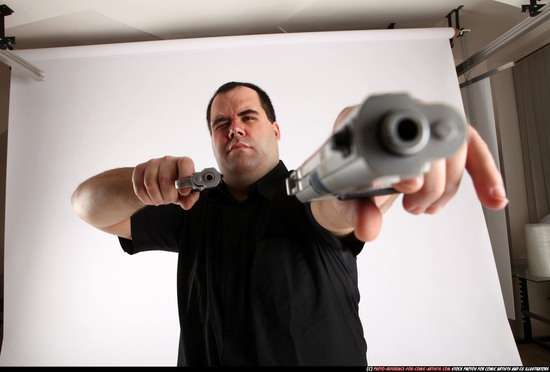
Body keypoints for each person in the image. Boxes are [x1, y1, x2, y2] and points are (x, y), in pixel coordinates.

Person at [71, 81, 508, 366]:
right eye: (220, 123)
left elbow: (338, 202)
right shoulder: (191, 207)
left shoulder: (309, 194)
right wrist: (140, 182)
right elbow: (87, 206)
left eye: (248, 117)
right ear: (211, 140)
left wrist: (369, 143)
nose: (234, 129)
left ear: (275, 130)